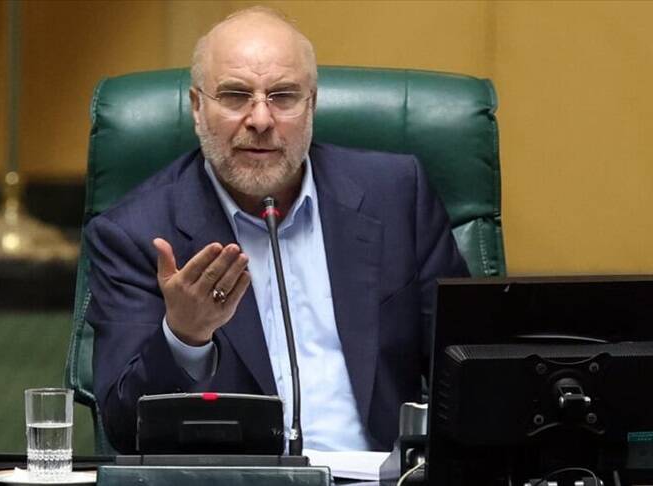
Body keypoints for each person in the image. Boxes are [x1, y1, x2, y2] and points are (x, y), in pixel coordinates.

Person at [85, 6, 469, 454]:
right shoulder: (135, 234)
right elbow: (122, 428)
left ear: (312, 105)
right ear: (197, 107)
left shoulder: (397, 195)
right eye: (235, 96)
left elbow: (470, 365)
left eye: (283, 96)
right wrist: (184, 336)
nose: (261, 120)